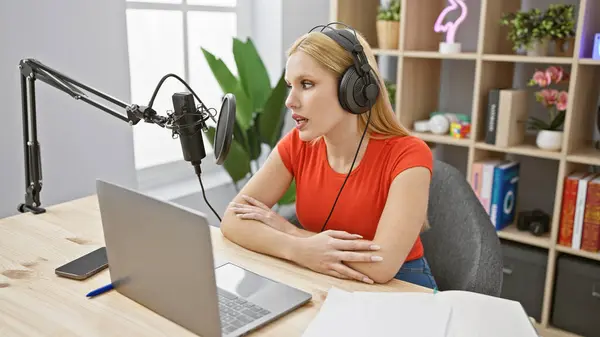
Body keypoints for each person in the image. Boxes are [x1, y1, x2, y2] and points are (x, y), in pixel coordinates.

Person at [220, 23, 437, 289]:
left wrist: (290, 231)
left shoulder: (408, 154)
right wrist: (299, 249)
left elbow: (380, 265)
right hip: (323, 279)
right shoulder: (297, 145)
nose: (290, 101)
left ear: (354, 89)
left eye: (306, 84)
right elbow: (232, 220)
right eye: (291, 85)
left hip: (402, 287)